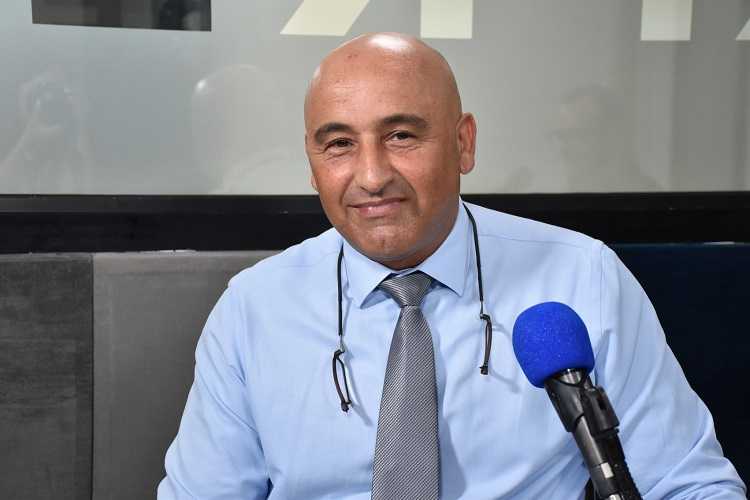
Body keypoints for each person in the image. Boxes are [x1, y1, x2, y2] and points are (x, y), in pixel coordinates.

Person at [157, 33, 745, 499]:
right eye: (339, 144)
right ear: (312, 164)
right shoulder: (253, 308)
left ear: (464, 143)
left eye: (401, 135)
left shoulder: (582, 278)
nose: (371, 176)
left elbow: (689, 485)